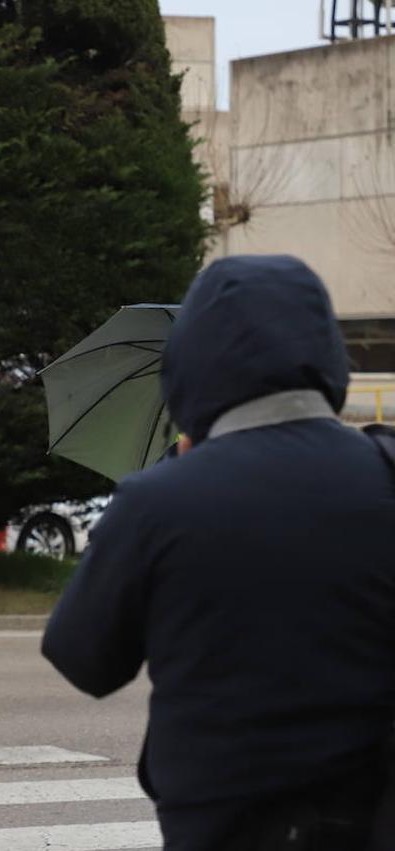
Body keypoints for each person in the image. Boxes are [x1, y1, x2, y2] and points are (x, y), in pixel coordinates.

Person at [42, 255, 395, 851]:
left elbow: (83, 658)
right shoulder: (386, 470)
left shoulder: (160, 501)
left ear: (193, 363)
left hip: (221, 823)